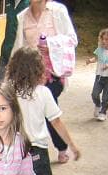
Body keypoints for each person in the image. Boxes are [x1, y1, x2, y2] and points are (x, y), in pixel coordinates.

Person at [11, 0, 78, 163]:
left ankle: (61, 147)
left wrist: (51, 45)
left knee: (47, 105)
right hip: (30, 72)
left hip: (53, 73)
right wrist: (12, 73)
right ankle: (27, 149)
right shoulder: (22, 16)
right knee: (28, 107)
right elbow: (19, 46)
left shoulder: (58, 11)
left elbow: (72, 39)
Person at [7, 46, 80, 175]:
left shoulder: (7, 91)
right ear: (39, 70)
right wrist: (72, 145)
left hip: (12, 149)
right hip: (37, 150)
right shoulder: (43, 92)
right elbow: (56, 122)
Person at [0, 0, 30, 81]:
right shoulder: (9, 3)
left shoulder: (29, 4)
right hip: (6, 51)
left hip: (21, 54)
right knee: (0, 84)